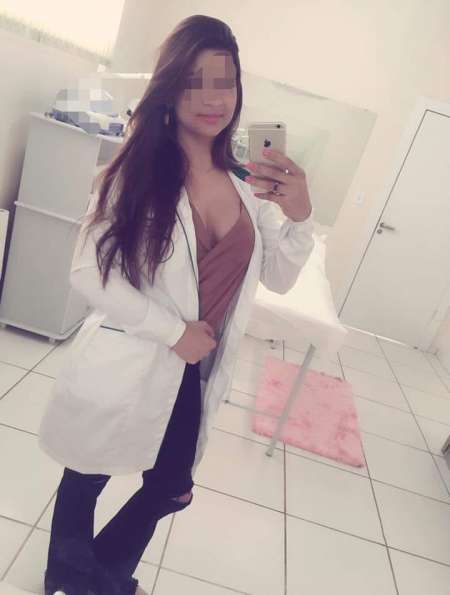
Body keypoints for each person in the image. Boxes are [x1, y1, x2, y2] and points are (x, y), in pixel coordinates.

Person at [38, 14, 315, 595]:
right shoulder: (136, 171)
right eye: (195, 80)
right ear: (169, 86)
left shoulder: (246, 183)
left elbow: (279, 276)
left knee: (171, 488)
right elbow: (88, 271)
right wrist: (173, 332)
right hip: (136, 353)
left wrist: (298, 217)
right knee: (87, 473)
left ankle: (84, 575)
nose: (213, 98)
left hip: (195, 368)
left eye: (225, 81)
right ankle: (90, 579)